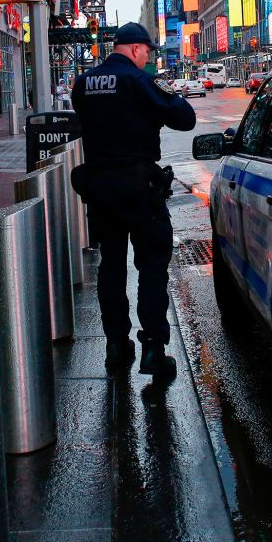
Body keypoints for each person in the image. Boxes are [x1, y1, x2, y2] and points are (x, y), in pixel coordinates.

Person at [71, 22, 196, 379]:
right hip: (140, 188)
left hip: (101, 189)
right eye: (148, 52)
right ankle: (153, 348)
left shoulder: (84, 83)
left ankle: (116, 345)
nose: (148, 58)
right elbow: (185, 119)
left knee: (110, 266)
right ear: (137, 48)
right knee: (152, 267)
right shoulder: (139, 81)